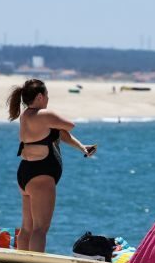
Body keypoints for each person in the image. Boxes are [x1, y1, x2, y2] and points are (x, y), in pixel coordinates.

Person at [6, 79, 97, 252]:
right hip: (41, 175)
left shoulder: (26, 115)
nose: (48, 99)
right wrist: (52, 115)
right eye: (47, 95)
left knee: (27, 227)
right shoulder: (44, 115)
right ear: (40, 96)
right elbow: (70, 125)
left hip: (25, 174)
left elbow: (61, 134)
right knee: (40, 229)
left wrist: (82, 147)